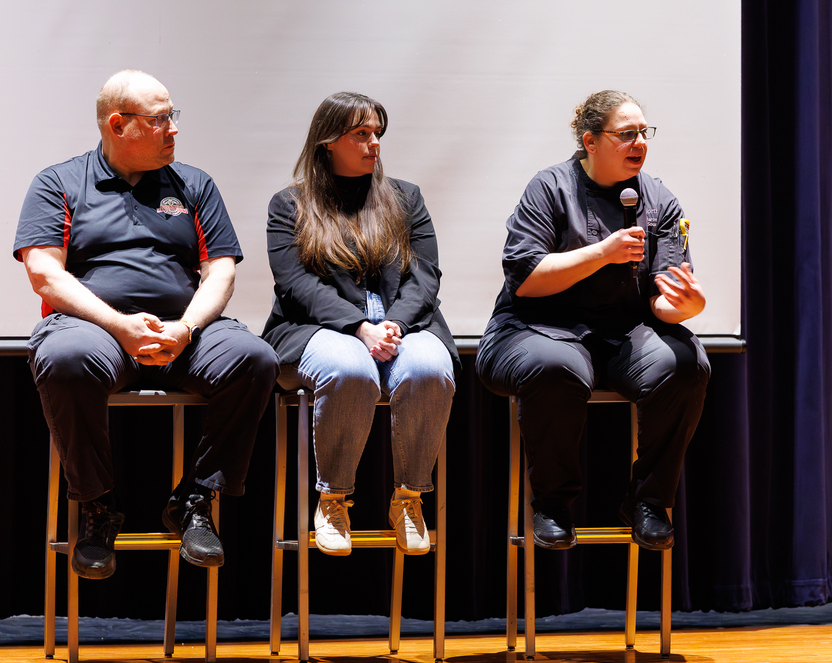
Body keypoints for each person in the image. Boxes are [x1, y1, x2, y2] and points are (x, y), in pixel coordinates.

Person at [14, 70, 280, 579]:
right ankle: (98, 508)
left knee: (255, 359)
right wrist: (119, 326)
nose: (173, 130)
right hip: (96, 333)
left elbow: (220, 270)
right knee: (63, 358)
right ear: (118, 124)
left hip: (186, 332)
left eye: (172, 117)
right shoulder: (59, 183)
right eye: (160, 120)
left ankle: (196, 499)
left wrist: (186, 328)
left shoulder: (194, 185)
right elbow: (44, 273)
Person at [476, 90, 710, 551]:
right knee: (557, 365)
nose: (639, 142)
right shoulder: (549, 187)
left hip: (622, 333)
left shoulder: (658, 199)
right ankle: (552, 503)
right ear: (590, 141)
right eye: (626, 134)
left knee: (688, 364)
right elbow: (526, 279)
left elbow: (664, 299)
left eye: (645, 132)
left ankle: (648, 502)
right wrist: (602, 253)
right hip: (537, 327)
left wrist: (688, 307)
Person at [262, 92, 459, 556]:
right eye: (361, 134)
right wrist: (358, 327)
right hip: (316, 329)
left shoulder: (405, 198)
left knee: (429, 368)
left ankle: (408, 498)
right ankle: (333, 498)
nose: (373, 144)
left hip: (404, 325)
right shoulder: (289, 205)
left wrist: (393, 324)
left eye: (376, 134)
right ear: (327, 142)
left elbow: (425, 277)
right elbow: (296, 285)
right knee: (349, 369)